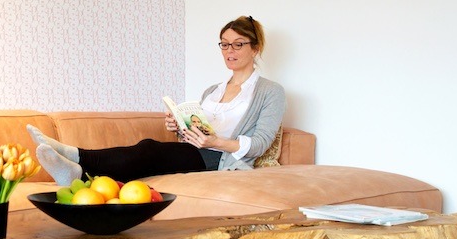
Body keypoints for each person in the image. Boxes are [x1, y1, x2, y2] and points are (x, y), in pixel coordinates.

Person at [28, 16, 285, 185]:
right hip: (196, 152)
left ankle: (76, 161)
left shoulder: (270, 92)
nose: (230, 51)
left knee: (149, 149)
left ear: (256, 48)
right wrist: (180, 128)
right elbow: (195, 136)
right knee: (149, 151)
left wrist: (216, 141)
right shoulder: (212, 90)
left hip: (220, 162)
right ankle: (75, 165)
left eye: (238, 44)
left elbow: (260, 144)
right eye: (225, 44)